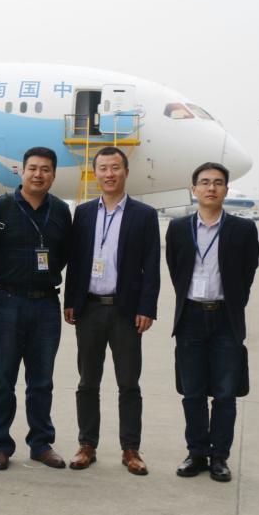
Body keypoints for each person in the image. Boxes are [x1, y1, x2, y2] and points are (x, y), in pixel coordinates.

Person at [64, 146, 160, 476]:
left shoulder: (144, 215)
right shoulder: (84, 213)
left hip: (125, 312)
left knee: (128, 383)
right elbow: (76, 261)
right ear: (95, 173)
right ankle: (86, 445)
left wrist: (147, 307)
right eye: (103, 168)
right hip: (89, 309)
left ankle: (130, 449)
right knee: (87, 382)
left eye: (115, 168)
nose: (109, 174)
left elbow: (151, 265)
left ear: (125, 172)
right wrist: (71, 301)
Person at [166, 162, 259, 482]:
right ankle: (196, 453)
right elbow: (176, 269)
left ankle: (219, 456)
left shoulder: (243, 229)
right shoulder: (178, 228)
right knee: (192, 392)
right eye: (204, 182)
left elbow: (247, 273)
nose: (211, 188)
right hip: (190, 317)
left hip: (226, 318)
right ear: (194, 189)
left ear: (226, 190)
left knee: (224, 393)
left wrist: (230, 305)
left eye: (218, 183)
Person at [0, 147, 72, 471]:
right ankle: (0, 445)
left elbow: (65, 254)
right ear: (22, 171)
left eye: (45, 169)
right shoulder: (0, 207)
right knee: (3, 378)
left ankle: (41, 443)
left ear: (53, 175)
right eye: (33, 168)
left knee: (41, 380)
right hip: (6, 301)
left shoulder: (60, 210)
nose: (38, 174)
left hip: (46, 304)